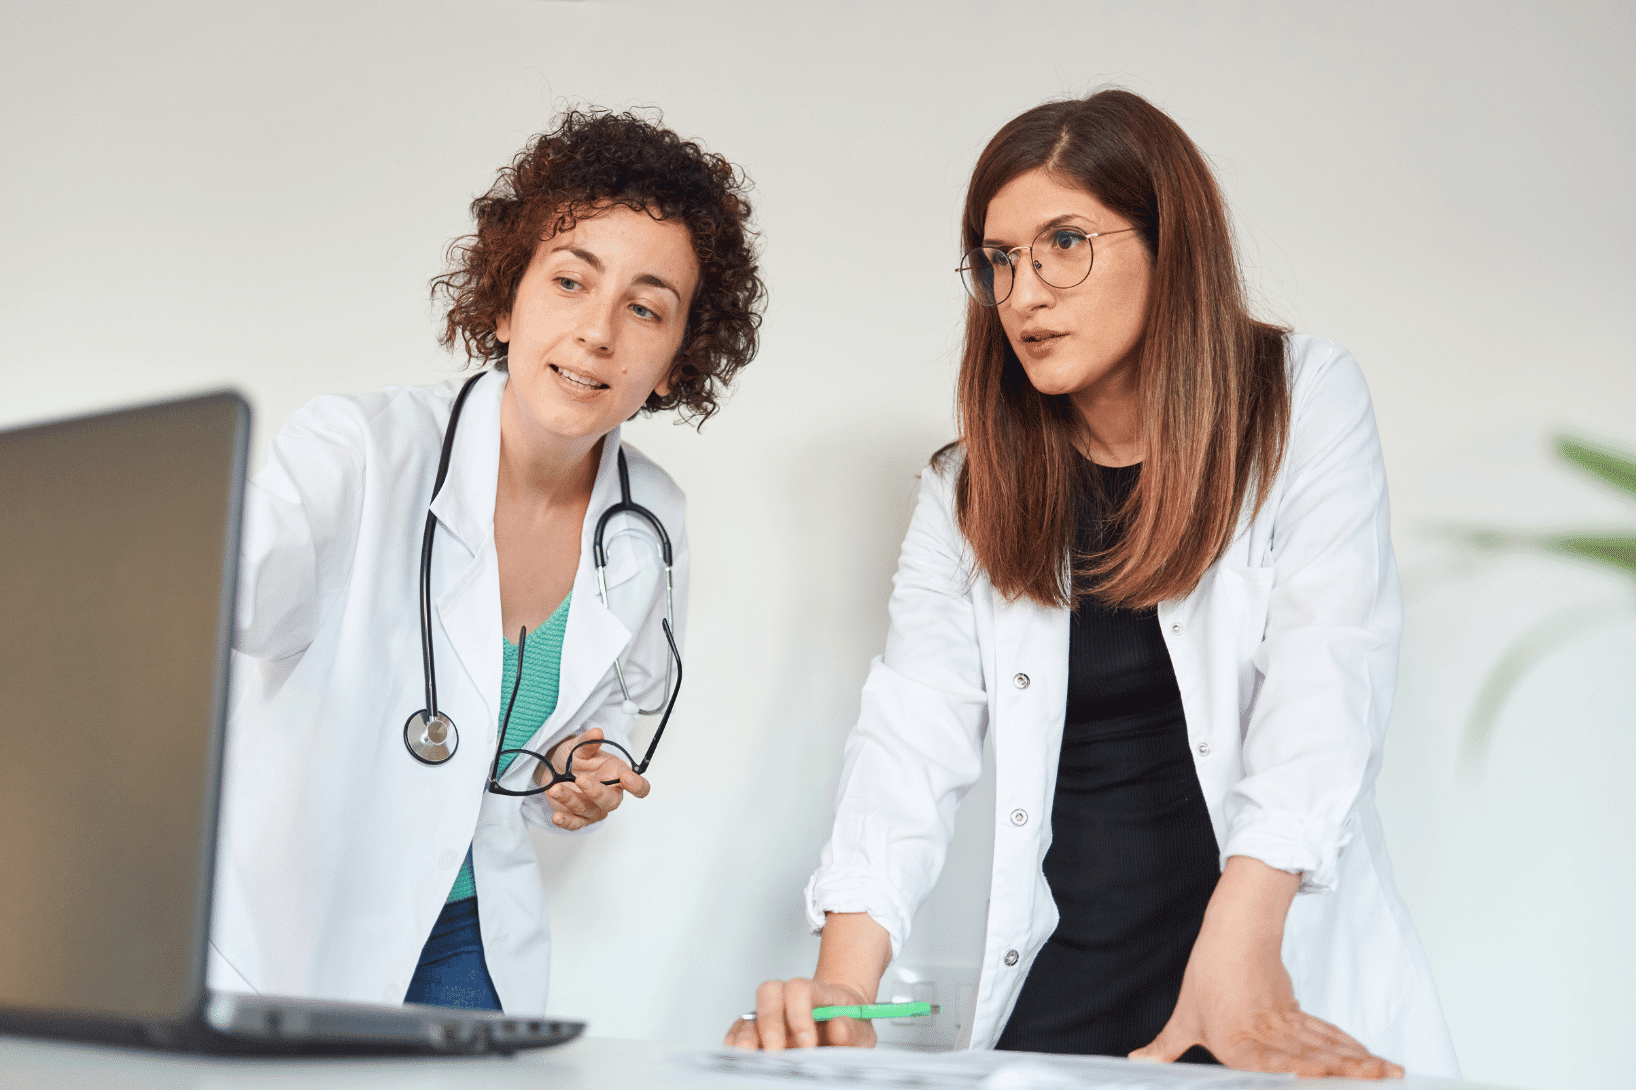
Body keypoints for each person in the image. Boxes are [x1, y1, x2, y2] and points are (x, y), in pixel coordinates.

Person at [726, 89, 1459, 1078]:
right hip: (1073, 995)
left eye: (1064, 244)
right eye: (999, 260)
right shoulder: (968, 489)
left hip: (1261, 969)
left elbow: (1328, 675)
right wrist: (842, 992)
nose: (1024, 293)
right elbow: (909, 736)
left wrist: (1238, 952)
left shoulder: (1300, 402)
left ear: (1169, 245)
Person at [208, 109, 763, 1015]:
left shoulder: (650, 519)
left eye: (645, 308)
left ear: (676, 360)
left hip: (469, 929)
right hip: (298, 922)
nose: (598, 333)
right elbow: (231, 602)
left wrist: (584, 768)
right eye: (571, 282)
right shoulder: (358, 449)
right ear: (506, 303)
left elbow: (607, 717)